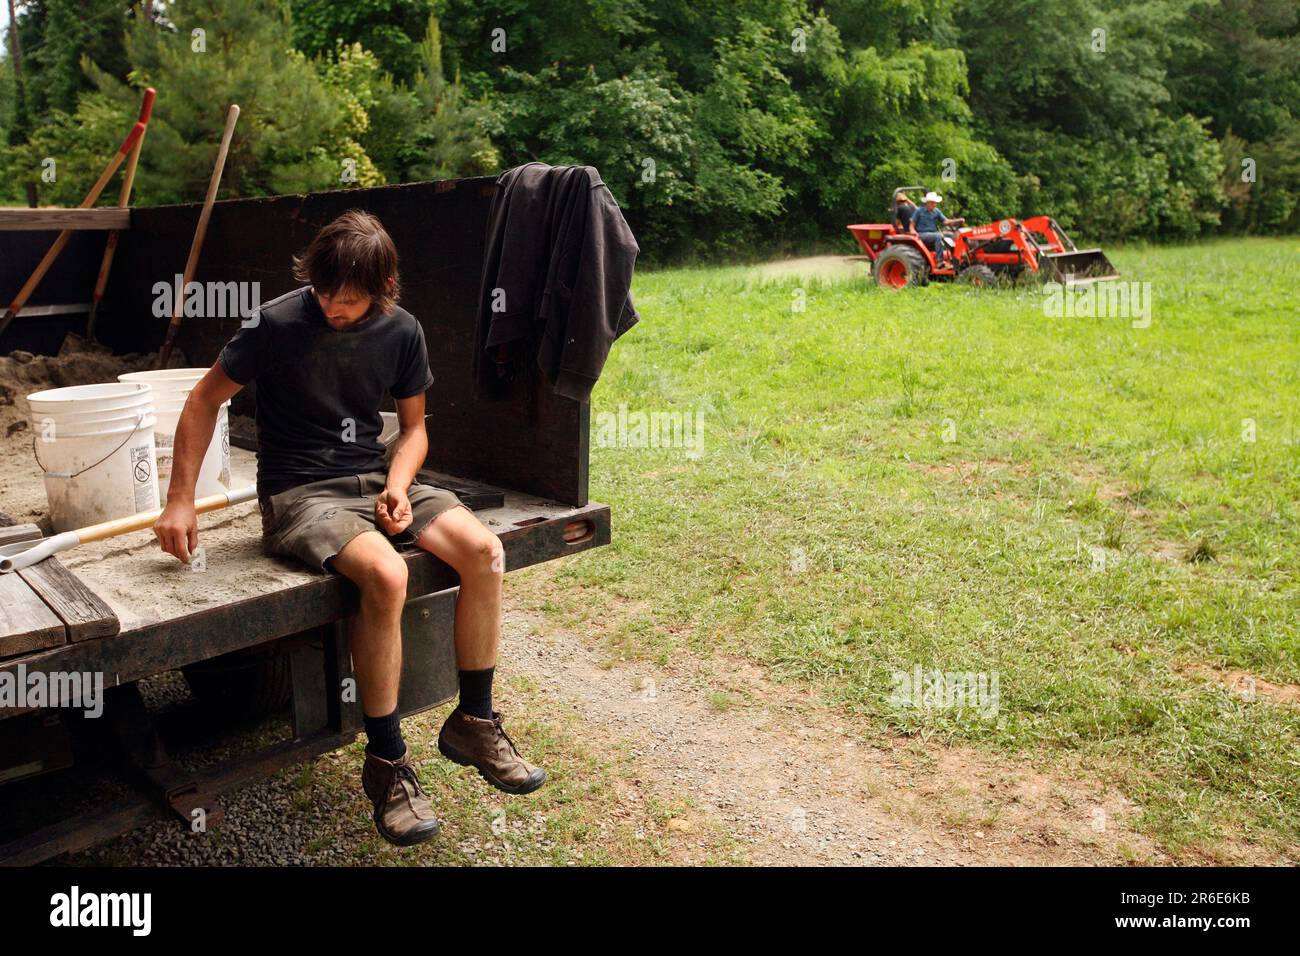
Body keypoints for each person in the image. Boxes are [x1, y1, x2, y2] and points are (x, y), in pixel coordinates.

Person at [154, 210, 545, 848]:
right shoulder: (276, 323)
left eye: (351, 299)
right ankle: (387, 764)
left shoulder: (401, 331)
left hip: (376, 481)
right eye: (324, 293)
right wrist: (180, 500)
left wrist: (397, 485)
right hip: (301, 494)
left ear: (383, 288)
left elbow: (413, 429)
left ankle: (473, 721)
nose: (334, 309)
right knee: (387, 575)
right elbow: (203, 399)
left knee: (485, 552)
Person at [909, 191, 949, 267]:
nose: (934, 204)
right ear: (927, 203)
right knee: (938, 236)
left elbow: (945, 221)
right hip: (921, 234)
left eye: (935, 203)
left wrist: (957, 221)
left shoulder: (936, 211)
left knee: (951, 235)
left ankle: (952, 259)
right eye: (932, 203)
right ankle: (939, 261)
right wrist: (912, 230)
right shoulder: (919, 211)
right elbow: (912, 224)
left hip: (933, 234)